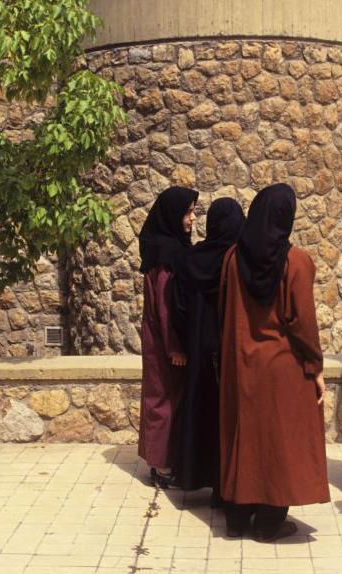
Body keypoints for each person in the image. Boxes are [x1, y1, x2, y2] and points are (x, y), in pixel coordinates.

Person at [219, 183, 329, 542]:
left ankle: (237, 516)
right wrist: (315, 366)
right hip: (282, 365)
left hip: (241, 362)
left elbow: (224, 310)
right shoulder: (295, 262)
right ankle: (269, 521)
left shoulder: (233, 258)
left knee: (246, 438)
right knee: (279, 442)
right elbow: (303, 322)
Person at [170, 197, 245, 498]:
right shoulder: (237, 260)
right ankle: (225, 486)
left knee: (200, 410)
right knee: (228, 416)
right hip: (230, 348)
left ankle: (196, 475)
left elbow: (178, 307)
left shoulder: (189, 259)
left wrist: (187, 338)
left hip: (198, 346)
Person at [139, 186, 198, 488]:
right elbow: (165, 306)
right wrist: (175, 346)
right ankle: (162, 467)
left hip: (159, 338)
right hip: (164, 342)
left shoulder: (163, 247)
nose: (192, 218)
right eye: (187, 212)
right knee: (163, 401)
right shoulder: (166, 254)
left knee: (161, 398)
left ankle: (161, 461)